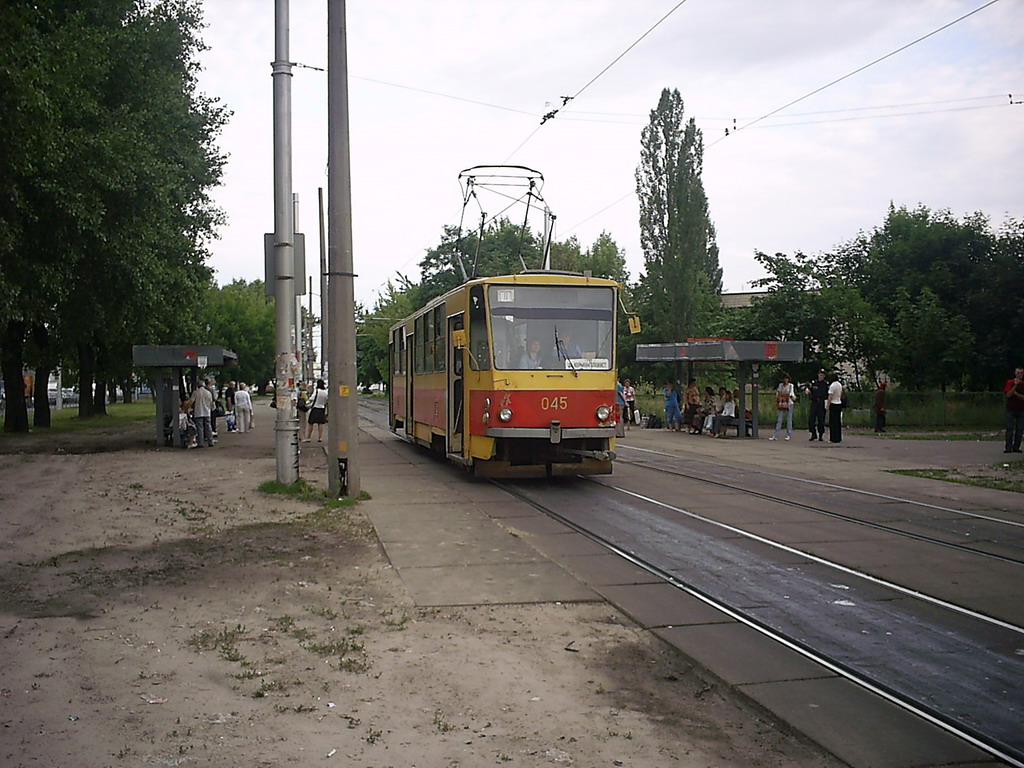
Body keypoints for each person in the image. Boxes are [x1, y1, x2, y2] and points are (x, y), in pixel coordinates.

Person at [769, 373, 796, 441]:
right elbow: (778, 393)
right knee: (779, 419)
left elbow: (790, 394)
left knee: (789, 420)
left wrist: (786, 395)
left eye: (786, 378)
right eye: (784, 378)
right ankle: (775, 435)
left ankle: (788, 435)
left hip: (789, 403)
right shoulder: (780, 385)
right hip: (781, 403)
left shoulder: (790, 386)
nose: (785, 380)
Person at [1004, 366, 1024, 454]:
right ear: (1015, 373)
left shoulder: (1023, 384)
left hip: (1021, 409)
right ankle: (1008, 447)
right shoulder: (1010, 382)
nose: (1019, 375)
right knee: (1010, 428)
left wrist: (1015, 393)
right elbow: (1008, 394)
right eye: (1018, 373)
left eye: (1021, 373)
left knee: (1020, 429)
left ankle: (1016, 447)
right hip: (1011, 409)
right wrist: (1015, 386)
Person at [189, 379, 215, 447]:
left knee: (200, 428)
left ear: (198, 385)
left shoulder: (195, 392)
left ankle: (201, 443)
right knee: (208, 427)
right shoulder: (208, 393)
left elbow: (191, 401)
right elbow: (211, 403)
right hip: (207, 412)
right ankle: (210, 441)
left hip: (198, 412)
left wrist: (187, 408)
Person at [806, 370, 829, 441]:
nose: (821, 376)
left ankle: (821, 435)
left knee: (821, 420)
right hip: (814, 402)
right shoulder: (814, 383)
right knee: (811, 419)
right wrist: (807, 391)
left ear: (824, 376)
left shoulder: (826, 384)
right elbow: (809, 389)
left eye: (822, 375)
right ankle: (813, 434)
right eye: (820, 375)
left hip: (822, 403)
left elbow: (828, 394)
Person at [826, 373, 844, 443]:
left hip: (833, 404)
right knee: (838, 421)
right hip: (839, 403)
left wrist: (828, 405)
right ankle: (838, 437)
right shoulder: (839, 385)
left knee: (832, 422)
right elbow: (841, 394)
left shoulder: (832, 386)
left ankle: (833, 438)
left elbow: (830, 396)